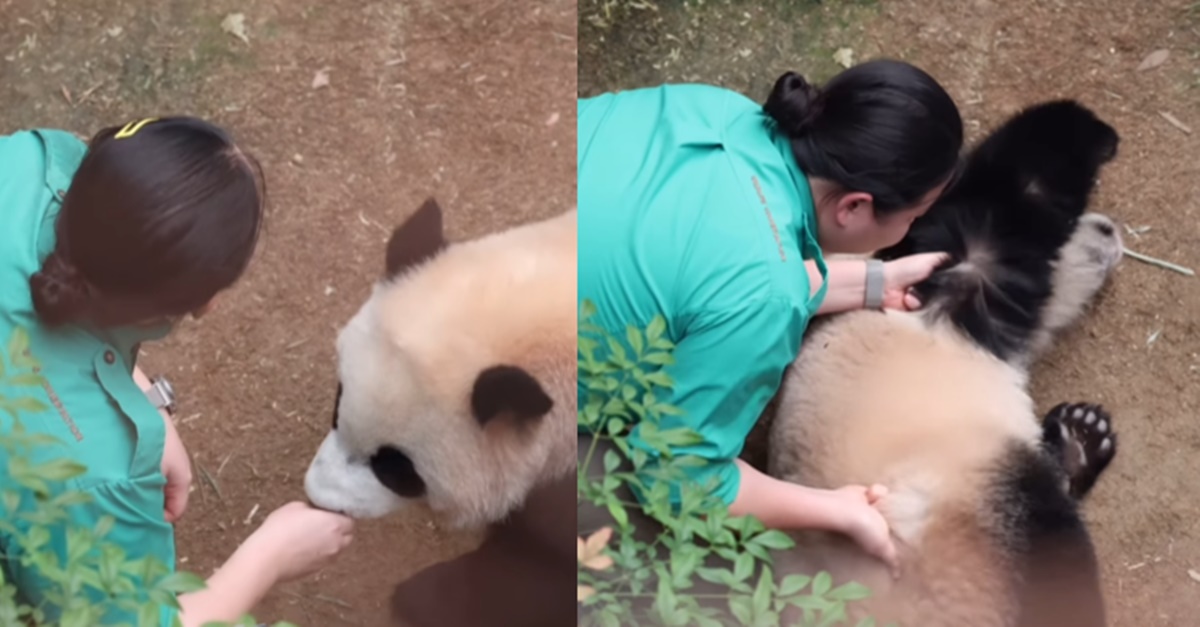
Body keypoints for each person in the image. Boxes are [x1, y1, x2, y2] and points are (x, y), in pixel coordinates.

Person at [577, 59, 964, 574]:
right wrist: (837, 511)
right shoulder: (767, 294)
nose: (912, 227)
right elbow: (673, 479)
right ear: (853, 207)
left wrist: (876, 283)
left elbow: (708, 274)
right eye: (914, 216)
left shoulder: (719, 108)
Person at [0, 117, 355, 625]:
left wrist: (130, 394)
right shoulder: (98, 479)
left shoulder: (30, 162)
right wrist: (270, 556)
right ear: (203, 304)